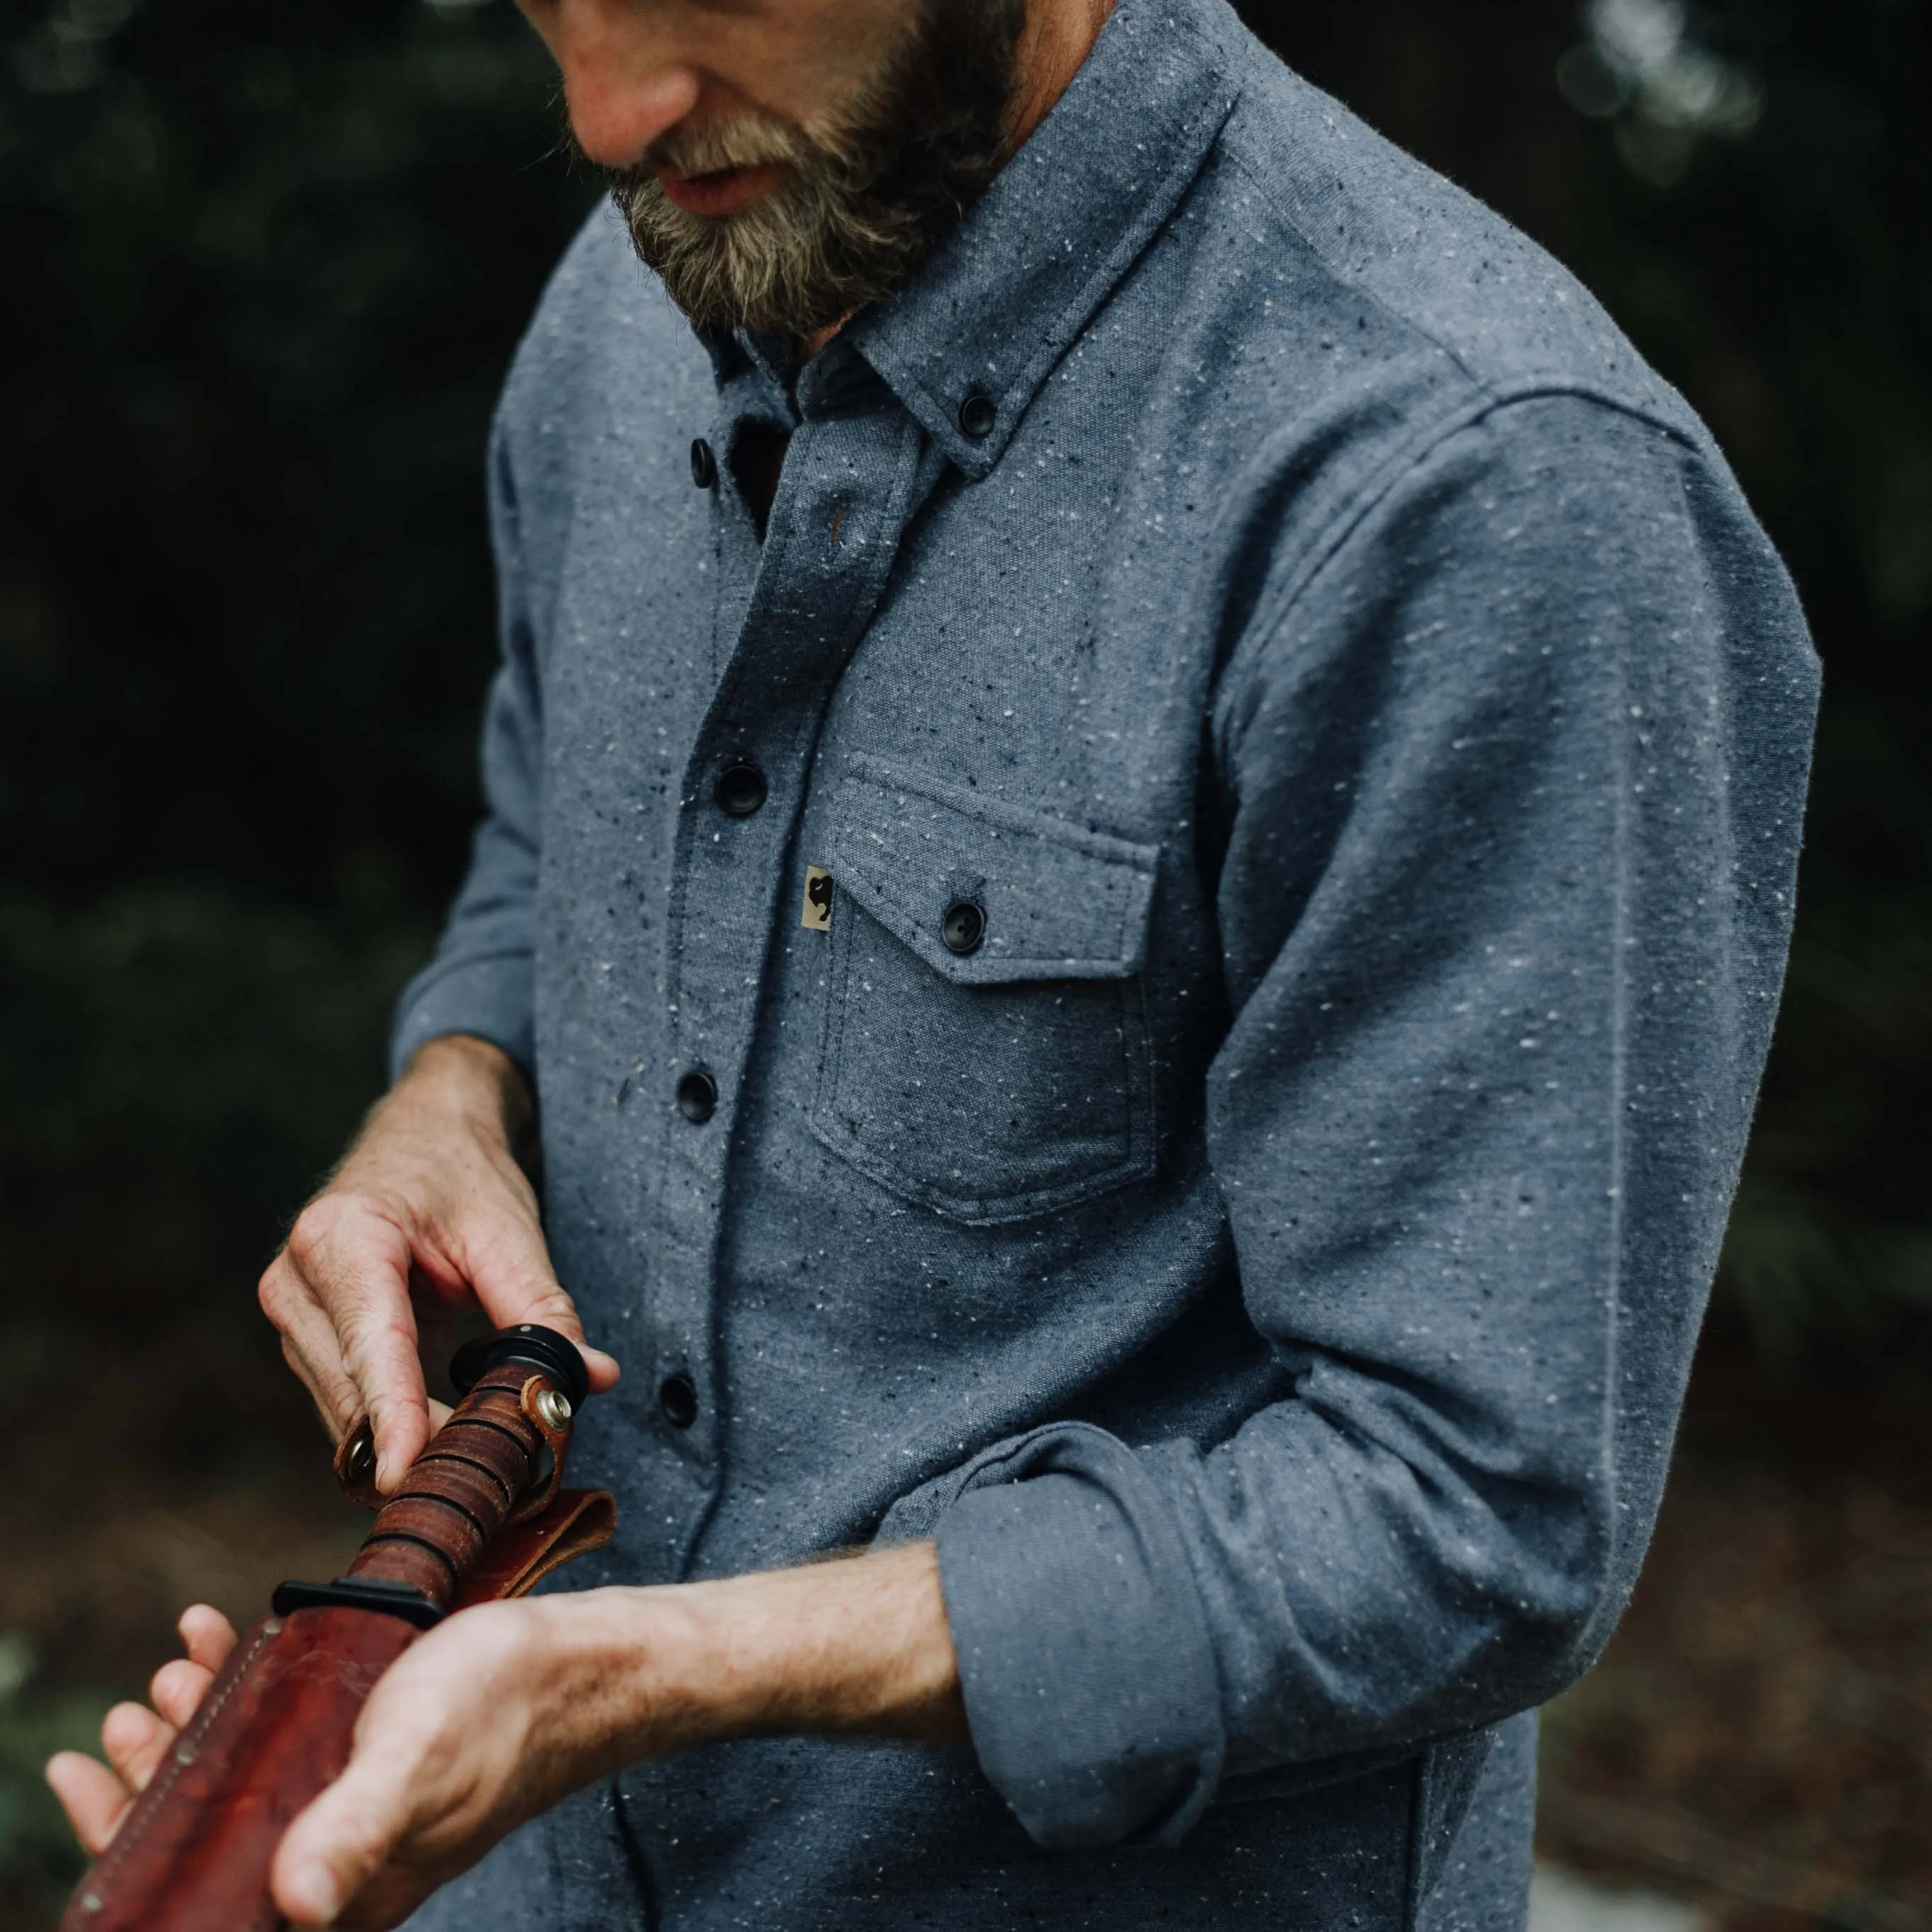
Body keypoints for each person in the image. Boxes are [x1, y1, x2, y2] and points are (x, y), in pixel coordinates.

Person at [48, 0, 1821, 1926]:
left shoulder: (1480, 488)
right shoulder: (634, 283)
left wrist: (644, 1670)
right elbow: (543, 837)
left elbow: (1466, 1520)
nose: (606, 111)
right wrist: (449, 1084)